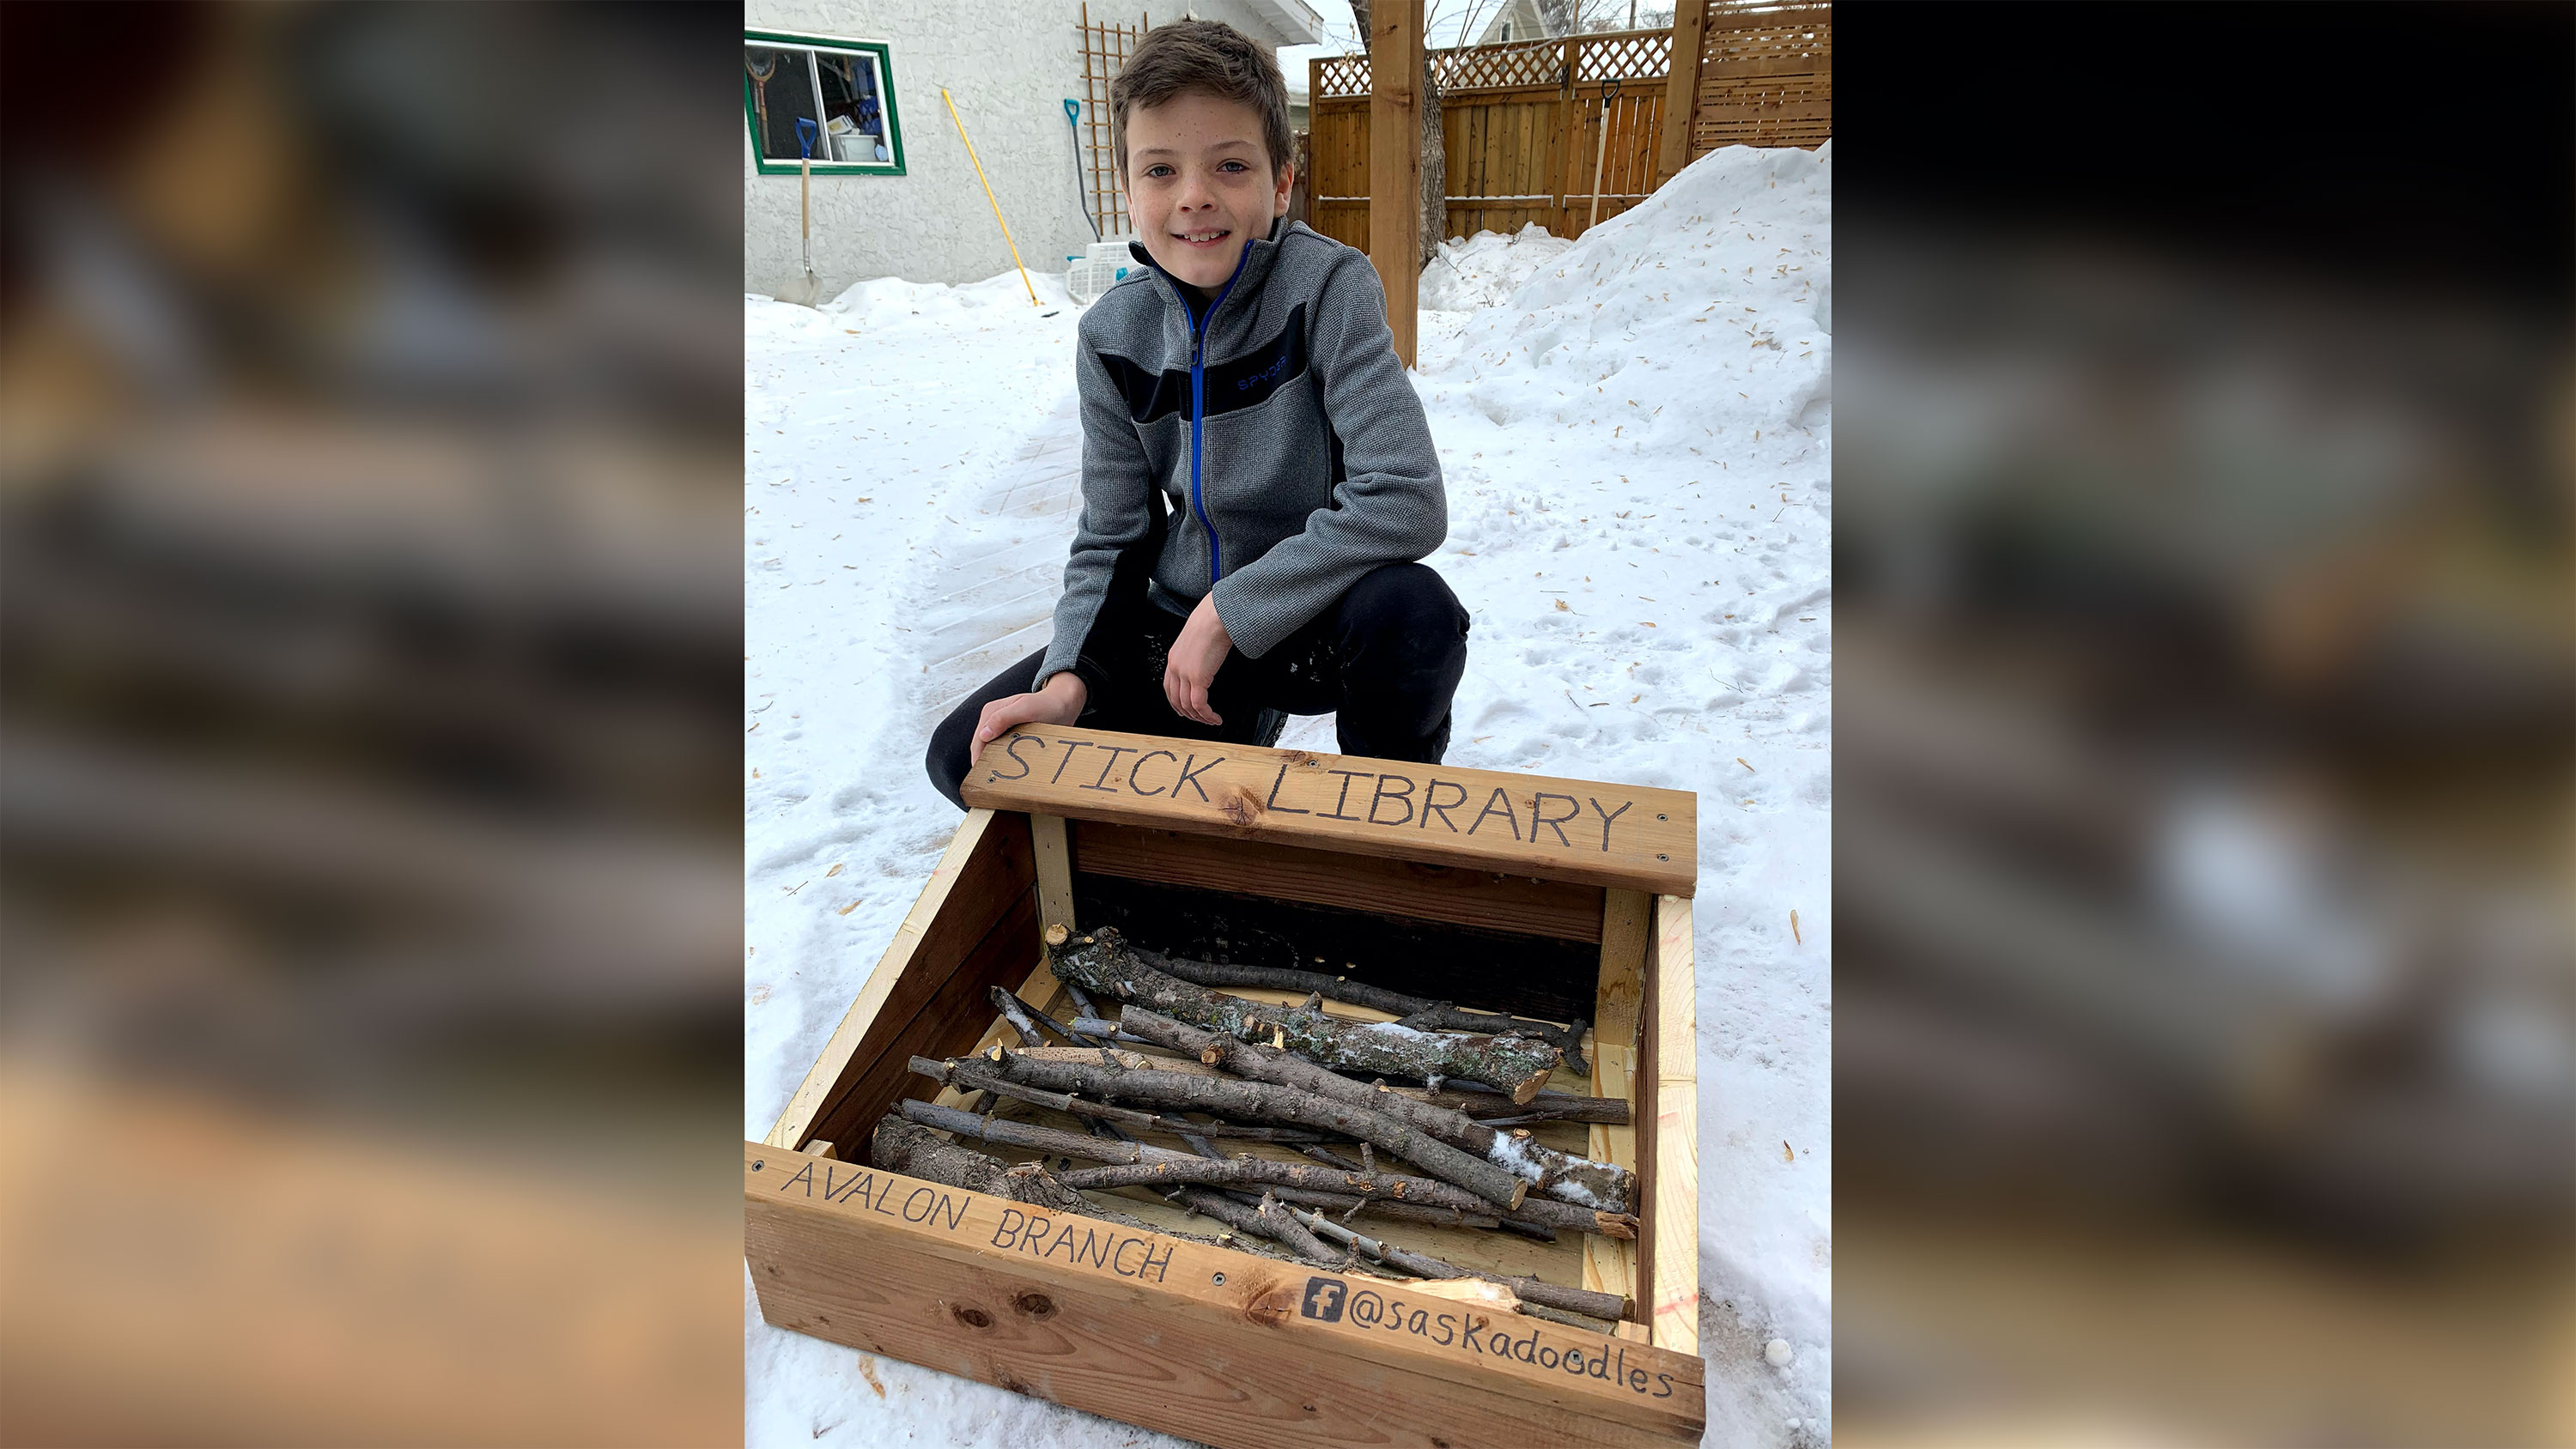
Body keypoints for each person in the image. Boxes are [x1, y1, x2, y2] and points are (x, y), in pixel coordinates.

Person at [925, 18, 1468, 809]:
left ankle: (1388, 836)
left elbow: (1407, 497)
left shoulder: (1328, 290)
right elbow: (1112, 536)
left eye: (1231, 165)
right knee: (971, 759)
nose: (1194, 197)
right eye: (1161, 169)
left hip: (1310, 623)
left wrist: (1233, 609)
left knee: (1412, 612)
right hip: (1173, 630)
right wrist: (1070, 678)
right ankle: (1179, 829)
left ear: (1281, 182)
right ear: (1129, 191)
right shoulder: (1111, 336)